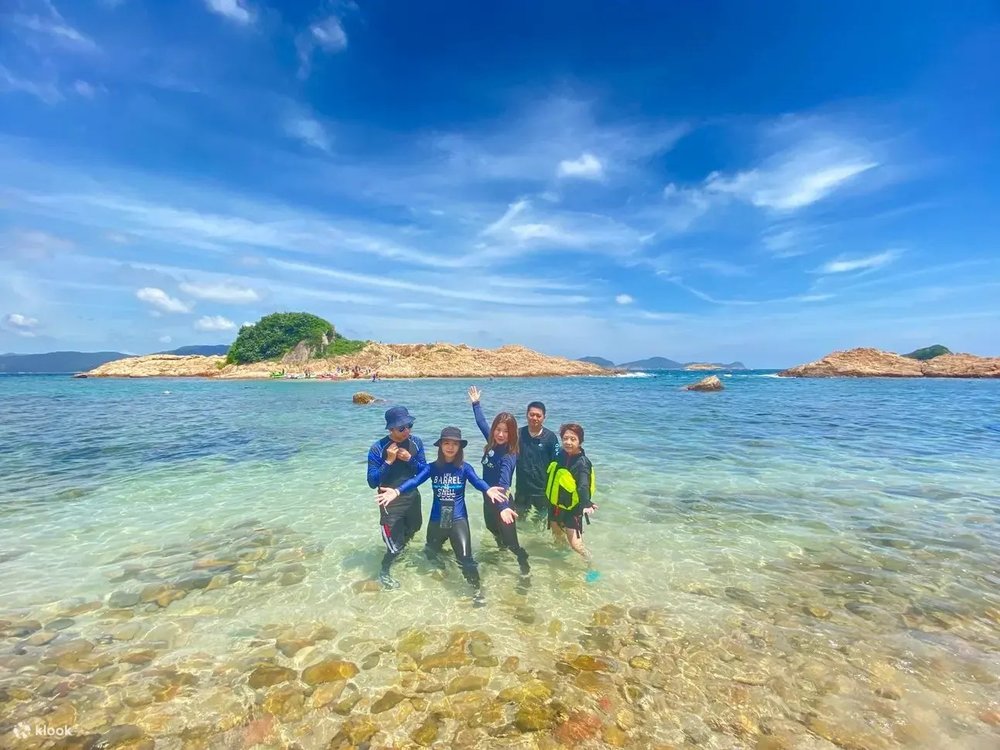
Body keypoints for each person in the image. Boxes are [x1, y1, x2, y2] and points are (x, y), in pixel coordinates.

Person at [376, 427, 507, 606]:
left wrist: (488, 489)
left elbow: (477, 481)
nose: (450, 447)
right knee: (430, 552)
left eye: (454, 444)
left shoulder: (464, 468)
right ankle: (441, 570)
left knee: (466, 559)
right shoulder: (432, 468)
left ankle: (477, 591)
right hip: (437, 520)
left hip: (458, 519)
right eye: (446, 443)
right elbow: (415, 481)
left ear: (459, 447)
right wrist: (397, 491)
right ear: (440, 446)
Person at [468, 386, 530, 576]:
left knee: (512, 543)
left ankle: (524, 567)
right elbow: (481, 422)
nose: (501, 434)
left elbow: (504, 482)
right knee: (492, 529)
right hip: (488, 500)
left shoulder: (509, 455)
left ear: (512, 434)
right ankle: (501, 552)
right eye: (498, 429)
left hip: (503, 502)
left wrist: (503, 507)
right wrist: (476, 403)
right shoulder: (492, 443)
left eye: (506, 432)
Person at [366, 406, 427, 589]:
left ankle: (401, 553)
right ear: (391, 429)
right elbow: (372, 481)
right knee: (394, 545)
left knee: (414, 528)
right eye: (401, 428)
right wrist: (388, 462)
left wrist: (410, 459)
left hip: (412, 497)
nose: (407, 430)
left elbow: (425, 472)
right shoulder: (378, 448)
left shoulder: (416, 443)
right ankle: (384, 572)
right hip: (389, 503)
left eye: (409, 425)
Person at [546, 423, 597, 565]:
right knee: (557, 533)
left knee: (575, 544)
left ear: (580, 441)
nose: (568, 442)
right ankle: (560, 560)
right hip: (556, 505)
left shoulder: (582, 463)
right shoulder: (561, 455)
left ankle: (591, 565)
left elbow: (583, 485)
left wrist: (586, 503)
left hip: (573, 508)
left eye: (573, 439)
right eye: (565, 438)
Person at [515, 400, 560, 522]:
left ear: (544, 417)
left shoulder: (550, 437)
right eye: (532, 414)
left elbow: (557, 464)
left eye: (538, 415)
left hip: (542, 491)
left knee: (540, 522)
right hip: (522, 489)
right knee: (519, 521)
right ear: (527, 415)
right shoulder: (518, 434)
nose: (535, 418)